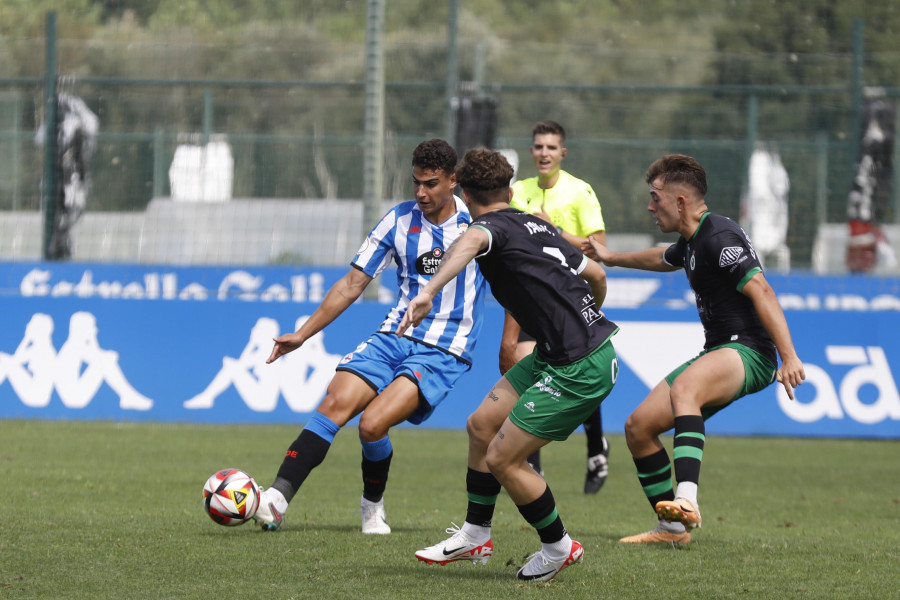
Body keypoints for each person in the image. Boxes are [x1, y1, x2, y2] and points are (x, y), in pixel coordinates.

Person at [399, 148, 619, 582]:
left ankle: (558, 546)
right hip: (561, 352)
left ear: (461, 187)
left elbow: (472, 242)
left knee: (503, 457)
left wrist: (429, 291)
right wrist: (586, 316)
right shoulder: (534, 222)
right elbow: (596, 274)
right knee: (482, 425)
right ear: (510, 187)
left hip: (580, 364)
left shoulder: (488, 227)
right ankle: (476, 534)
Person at [253, 139, 486, 535]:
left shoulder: (478, 224)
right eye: (415, 183)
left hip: (443, 348)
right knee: (334, 402)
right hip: (393, 335)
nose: (420, 192)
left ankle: (371, 507)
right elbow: (352, 283)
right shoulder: (398, 220)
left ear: (453, 180)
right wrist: (304, 335)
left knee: (372, 425)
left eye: (430, 183)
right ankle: (276, 499)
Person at [587, 154, 805, 544]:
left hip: (750, 352)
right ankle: (672, 530)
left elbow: (762, 290)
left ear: (680, 202)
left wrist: (788, 355)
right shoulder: (691, 241)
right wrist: (610, 258)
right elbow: (662, 257)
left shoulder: (719, 236)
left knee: (685, 389)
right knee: (638, 428)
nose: (650, 206)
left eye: (655, 197)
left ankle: (687, 500)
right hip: (720, 350)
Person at [504, 120, 610, 493]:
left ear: (562, 153)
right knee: (523, 363)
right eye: (538, 147)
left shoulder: (580, 192)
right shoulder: (518, 192)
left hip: (571, 301)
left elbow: (599, 249)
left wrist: (553, 230)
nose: (544, 153)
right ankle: (532, 462)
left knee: (576, 367)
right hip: (533, 300)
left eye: (551, 147)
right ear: (531, 151)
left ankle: (596, 446)